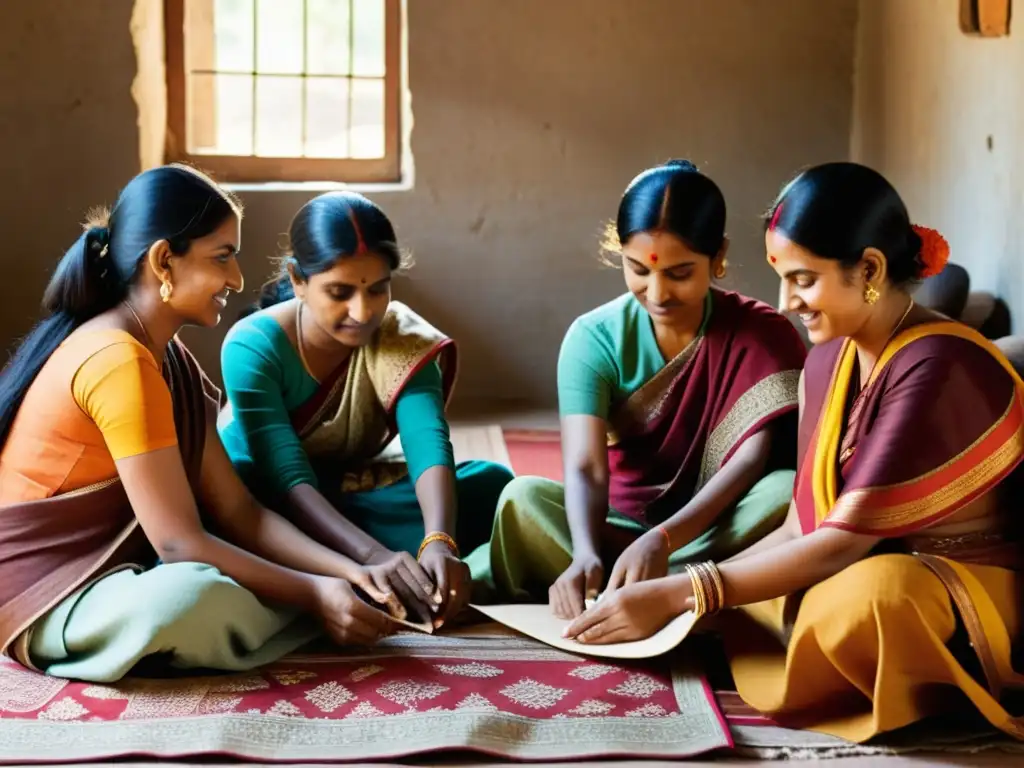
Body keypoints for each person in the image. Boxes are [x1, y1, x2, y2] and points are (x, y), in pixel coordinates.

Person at [562, 161, 1024, 742]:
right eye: (781, 278)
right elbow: (801, 524)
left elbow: (841, 542)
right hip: (846, 562)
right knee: (745, 591)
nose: (785, 303)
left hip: (954, 588)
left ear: (871, 270)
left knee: (876, 598)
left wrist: (689, 588)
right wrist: (700, 587)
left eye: (803, 280)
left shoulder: (940, 363)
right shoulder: (830, 358)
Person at [0, 165, 398, 683]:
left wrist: (349, 570)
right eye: (222, 257)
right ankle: (305, 610)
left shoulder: (169, 358)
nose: (236, 279)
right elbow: (178, 545)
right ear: (164, 260)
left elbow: (239, 511)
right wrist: (313, 591)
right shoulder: (118, 358)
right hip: (43, 596)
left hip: (114, 576)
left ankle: (310, 603)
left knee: (237, 561)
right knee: (192, 596)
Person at [466, 160, 807, 616]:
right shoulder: (594, 339)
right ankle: (678, 595)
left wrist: (664, 540)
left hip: (715, 529)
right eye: (638, 269)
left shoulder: (763, 332)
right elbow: (586, 468)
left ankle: (662, 592)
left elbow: (750, 463)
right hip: (616, 530)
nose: (658, 292)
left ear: (719, 255)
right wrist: (585, 551)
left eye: (680, 273)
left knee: (784, 493)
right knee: (522, 499)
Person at [218, 192, 513, 629]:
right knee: (234, 511)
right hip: (272, 502)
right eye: (339, 292)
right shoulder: (253, 346)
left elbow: (427, 442)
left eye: (377, 289)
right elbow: (287, 479)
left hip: (348, 492)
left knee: (490, 486)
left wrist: (439, 540)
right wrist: (374, 557)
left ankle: (366, 567)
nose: (363, 311)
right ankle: (350, 571)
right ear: (298, 280)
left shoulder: (400, 336)